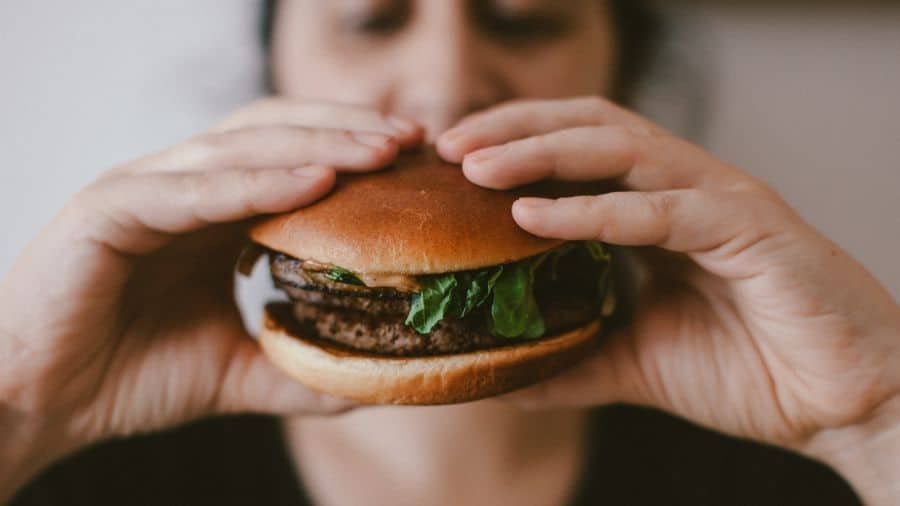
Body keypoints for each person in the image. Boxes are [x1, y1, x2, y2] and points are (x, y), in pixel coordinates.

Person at [3, 1, 898, 504]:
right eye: (370, 18)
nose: (444, 83)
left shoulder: (795, 466)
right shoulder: (90, 463)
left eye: (525, 20)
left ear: (619, 78)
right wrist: (22, 412)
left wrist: (877, 424)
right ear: (275, 73)